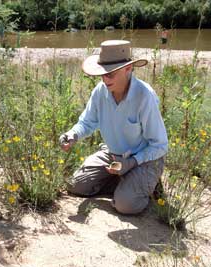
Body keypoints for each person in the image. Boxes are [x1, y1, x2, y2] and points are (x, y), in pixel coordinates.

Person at [59, 40, 168, 215]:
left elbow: (160, 145)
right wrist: (73, 134)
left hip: (145, 160)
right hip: (113, 155)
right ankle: (126, 183)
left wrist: (132, 162)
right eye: (102, 74)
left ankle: (145, 183)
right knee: (76, 185)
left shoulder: (144, 96)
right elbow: (87, 122)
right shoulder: (100, 91)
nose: (104, 79)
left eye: (110, 74)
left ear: (128, 69)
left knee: (126, 206)